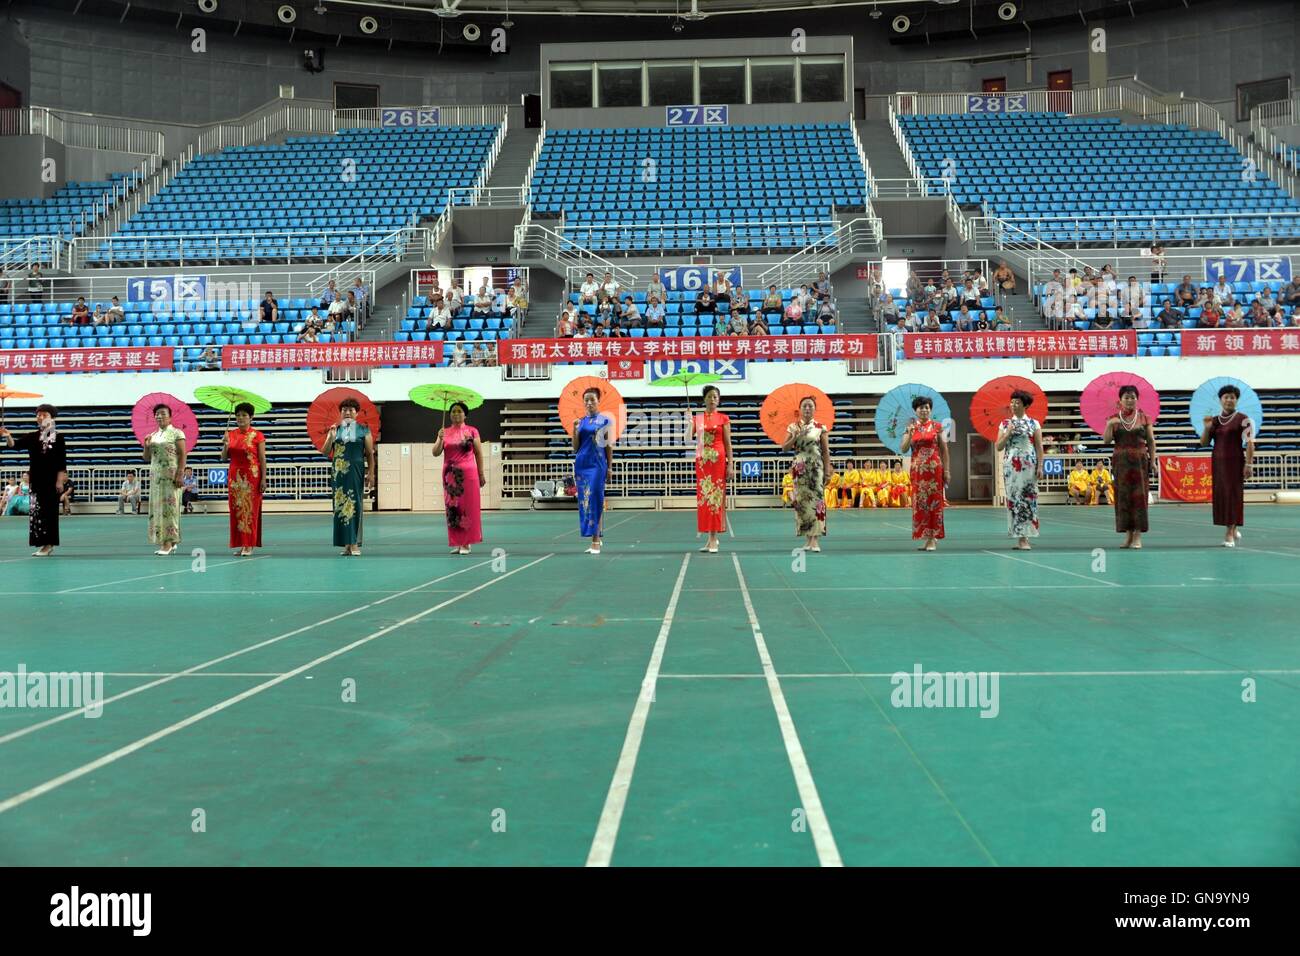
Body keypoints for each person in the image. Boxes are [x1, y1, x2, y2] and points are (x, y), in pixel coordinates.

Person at [0, 406, 67, 556]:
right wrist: (7, 435)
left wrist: (59, 481)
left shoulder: (59, 437)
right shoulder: (31, 436)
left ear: (52, 417)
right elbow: (14, 445)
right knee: (37, 513)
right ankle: (44, 544)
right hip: (36, 480)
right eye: (38, 415)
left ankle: (48, 544)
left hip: (51, 481)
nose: (40, 417)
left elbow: (61, 463)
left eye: (44, 414)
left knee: (49, 513)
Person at [1200, 384, 1254, 547]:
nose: (1229, 400)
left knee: (1233, 495)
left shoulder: (1244, 419)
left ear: (1236, 400)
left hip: (1235, 462)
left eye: (1232, 397)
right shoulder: (1214, 420)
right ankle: (1233, 524)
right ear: (1220, 400)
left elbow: (1250, 443)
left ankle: (1229, 533)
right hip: (1218, 462)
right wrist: (1207, 428)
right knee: (1223, 496)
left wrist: (1249, 464)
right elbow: (1203, 443)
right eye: (1226, 397)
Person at [1102, 386, 1157, 549]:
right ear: (1120, 400)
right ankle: (1128, 536)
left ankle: (1138, 536)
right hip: (1121, 462)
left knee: (1139, 498)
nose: (1130, 400)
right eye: (1126, 397)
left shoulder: (1144, 418)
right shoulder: (1113, 418)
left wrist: (1153, 461)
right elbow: (1106, 441)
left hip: (1140, 461)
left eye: (1133, 397)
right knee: (1123, 498)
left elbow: (1151, 441)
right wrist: (1109, 425)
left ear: (1137, 399)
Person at [432, 401, 485, 555]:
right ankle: (457, 542)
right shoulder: (444, 432)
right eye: (453, 411)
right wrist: (439, 438)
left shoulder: (472, 431)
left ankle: (467, 543)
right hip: (450, 476)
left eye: (459, 411)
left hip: (468, 475)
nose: (456, 414)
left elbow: (479, 453)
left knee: (468, 508)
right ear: (449, 415)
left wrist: (481, 474)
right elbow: (435, 452)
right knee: (453, 509)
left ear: (465, 414)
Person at [324, 397, 375, 556]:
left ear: (357, 413)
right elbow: (326, 452)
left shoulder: (364, 430)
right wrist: (330, 437)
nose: (347, 412)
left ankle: (354, 543)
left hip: (355, 470)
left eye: (351, 410)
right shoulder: (335, 430)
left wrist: (371, 473)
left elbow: (369, 454)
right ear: (340, 413)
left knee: (354, 504)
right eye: (344, 410)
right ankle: (345, 545)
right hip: (338, 472)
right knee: (339, 506)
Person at [781, 397, 831, 552]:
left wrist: (828, 471)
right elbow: (784, 448)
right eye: (804, 406)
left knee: (817, 502)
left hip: (816, 467)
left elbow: (825, 451)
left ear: (814, 409)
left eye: (810, 406)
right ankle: (807, 539)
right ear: (800, 409)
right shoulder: (792, 427)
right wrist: (795, 436)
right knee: (802, 503)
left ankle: (815, 540)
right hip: (799, 468)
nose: (807, 408)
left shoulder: (820, 427)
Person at [996, 390, 1043, 549]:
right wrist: (1008, 432)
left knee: (1028, 499)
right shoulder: (1004, 424)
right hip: (1011, 467)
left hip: (1029, 465)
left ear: (1026, 405)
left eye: (1017, 402)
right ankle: (1018, 536)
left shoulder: (1033, 423)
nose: (1013, 405)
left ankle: (1025, 538)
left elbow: (1039, 446)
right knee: (1014, 499)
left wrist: (1040, 466)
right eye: (1012, 402)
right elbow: (998, 446)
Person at [901, 396, 948, 551]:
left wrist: (946, 470)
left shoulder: (937, 426)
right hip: (917, 471)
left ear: (930, 409)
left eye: (927, 407)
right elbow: (903, 448)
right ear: (915, 410)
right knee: (920, 504)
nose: (924, 410)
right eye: (921, 408)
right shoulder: (910, 427)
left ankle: (933, 539)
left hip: (934, 469)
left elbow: (944, 450)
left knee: (934, 503)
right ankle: (926, 537)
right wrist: (909, 433)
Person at [572, 387, 613, 555]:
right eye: (586, 400)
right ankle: (597, 536)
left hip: (597, 465)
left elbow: (609, 446)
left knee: (596, 499)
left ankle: (595, 541)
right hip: (582, 464)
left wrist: (610, 467)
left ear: (598, 401)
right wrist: (575, 430)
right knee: (586, 502)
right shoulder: (579, 422)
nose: (589, 403)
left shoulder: (604, 421)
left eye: (592, 400)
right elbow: (576, 448)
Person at [692, 386, 733, 553]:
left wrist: (730, 464)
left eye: (715, 396)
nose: (712, 399)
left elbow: (728, 443)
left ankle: (714, 539)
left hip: (718, 460)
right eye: (709, 396)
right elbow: (687, 438)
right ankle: (709, 539)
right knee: (704, 500)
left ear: (719, 399)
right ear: (704, 399)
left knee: (715, 498)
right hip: (702, 461)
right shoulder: (698, 418)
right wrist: (689, 422)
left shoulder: (724, 418)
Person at [222, 402, 266, 557]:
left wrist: (263, 479)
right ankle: (241, 544)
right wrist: (225, 445)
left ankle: (249, 545)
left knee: (250, 510)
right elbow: (224, 457)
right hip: (234, 477)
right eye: (238, 415)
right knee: (236, 511)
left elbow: (262, 458)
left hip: (252, 477)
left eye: (244, 415)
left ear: (251, 417)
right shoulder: (231, 434)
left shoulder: (257, 435)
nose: (240, 418)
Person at [143, 403, 186, 555]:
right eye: (157, 414)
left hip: (171, 476)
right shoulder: (153, 435)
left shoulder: (177, 433)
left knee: (170, 509)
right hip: (156, 477)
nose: (159, 416)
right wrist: (146, 446)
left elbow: (182, 454)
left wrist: (180, 473)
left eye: (163, 413)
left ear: (170, 416)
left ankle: (166, 544)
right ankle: (172, 542)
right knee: (158, 509)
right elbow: (147, 458)